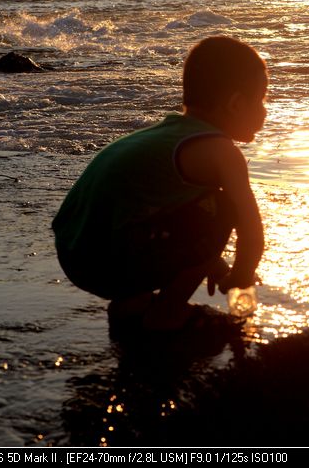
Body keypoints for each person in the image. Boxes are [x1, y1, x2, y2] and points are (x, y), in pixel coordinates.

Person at [52, 36, 267, 331]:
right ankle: (167, 312)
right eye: (262, 100)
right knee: (223, 207)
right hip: (107, 263)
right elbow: (251, 230)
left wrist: (212, 263)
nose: (265, 111)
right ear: (236, 104)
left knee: (201, 203)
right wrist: (242, 274)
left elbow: (160, 210)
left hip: (75, 252)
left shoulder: (169, 135)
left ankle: (133, 304)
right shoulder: (222, 152)